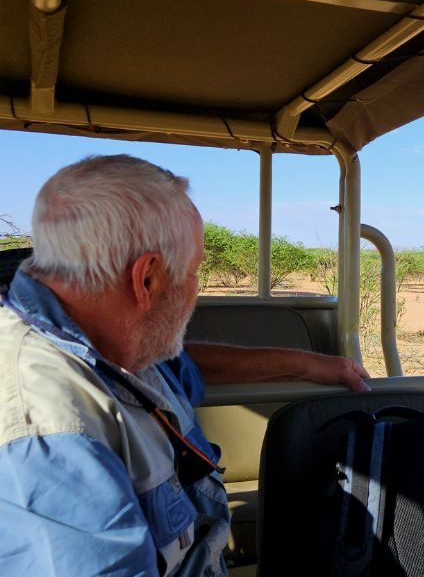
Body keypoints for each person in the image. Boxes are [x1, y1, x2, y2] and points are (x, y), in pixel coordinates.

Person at [0, 155, 371, 576]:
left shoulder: (112, 344)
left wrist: (304, 364)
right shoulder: (51, 428)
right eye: (195, 272)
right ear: (146, 279)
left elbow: (184, 367)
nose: (194, 289)